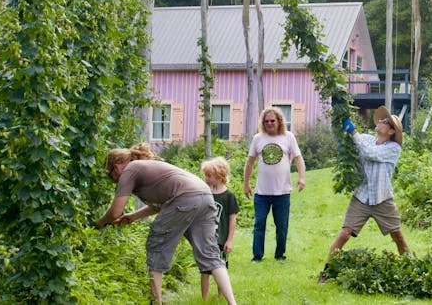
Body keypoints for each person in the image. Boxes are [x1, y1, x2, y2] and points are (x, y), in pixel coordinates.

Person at [95, 143, 237, 305]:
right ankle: (232, 303)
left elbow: (115, 212)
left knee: (156, 245)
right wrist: (133, 216)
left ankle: (157, 302)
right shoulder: (145, 168)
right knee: (210, 253)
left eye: (110, 175)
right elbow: (162, 204)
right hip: (205, 197)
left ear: (116, 167)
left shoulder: (130, 170)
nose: (113, 181)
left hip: (186, 199)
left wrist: (99, 223)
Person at [318, 106, 410, 284]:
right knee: (345, 233)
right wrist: (338, 121)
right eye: (381, 119)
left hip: (383, 198)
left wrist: (353, 131)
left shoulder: (394, 148)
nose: (380, 121)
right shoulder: (367, 139)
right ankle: (326, 272)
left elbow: (369, 153)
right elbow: (346, 143)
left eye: (385, 121)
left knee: (397, 236)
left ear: (391, 131)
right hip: (361, 196)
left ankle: (411, 269)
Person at [243, 107, 306, 262]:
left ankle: (280, 255)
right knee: (259, 224)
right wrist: (246, 184)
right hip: (261, 193)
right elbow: (250, 162)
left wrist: (302, 178)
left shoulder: (288, 137)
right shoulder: (258, 138)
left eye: (272, 120)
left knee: (282, 226)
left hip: (282, 192)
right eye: (266, 121)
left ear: (279, 121)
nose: (270, 123)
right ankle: (257, 256)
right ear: (263, 123)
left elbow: (298, 158)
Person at [199, 157, 240, 301]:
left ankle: (220, 296)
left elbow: (232, 219)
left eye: (209, 175)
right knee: (204, 270)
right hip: (206, 238)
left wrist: (229, 240)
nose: (206, 178)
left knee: (221, 268)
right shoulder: (205, 193)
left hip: (221, 239)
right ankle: (204, 299)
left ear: (219, 175)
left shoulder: (229, 196)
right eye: (205, 175)